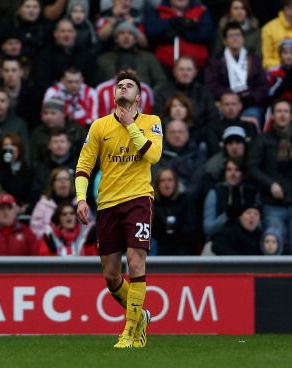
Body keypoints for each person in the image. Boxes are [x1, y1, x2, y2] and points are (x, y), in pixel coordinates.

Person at [75, 70, 162, 348]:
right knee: (111, 276)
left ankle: (129, 330)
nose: (123, 89)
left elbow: (153, 155)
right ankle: (141, 317)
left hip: (138, 199)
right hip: (108, 203)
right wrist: (80, 198)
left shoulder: (151, 122)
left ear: (138, 96)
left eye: (129, 86)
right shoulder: (99, 126)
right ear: (114, 95)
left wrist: (130, 126)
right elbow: (84, 165)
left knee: (136, 261)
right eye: (119, 86)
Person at [248, 99, 292, 255]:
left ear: (291, 115)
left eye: (286, 111)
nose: (282, 115)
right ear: (272, 115)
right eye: (278, 111)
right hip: (271, 204)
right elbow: (252, 168)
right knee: (272, 251)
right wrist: (270, 184)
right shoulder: (263, 139)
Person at [152, 168, 199, 255]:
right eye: (162, 180)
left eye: (170, 180)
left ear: (176, 183)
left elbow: (192, 230)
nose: (166, 183)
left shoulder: (187, 201)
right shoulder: (152, 205)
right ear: (157, 184)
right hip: (159, 250)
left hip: (183, 251)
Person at [30, 167, 76, 239]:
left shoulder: (79, 204)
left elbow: (88, 227)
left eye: (66, 179)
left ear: (71, 183)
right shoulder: (42, 205)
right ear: (52, 184)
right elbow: (35, 230)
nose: (63, 182)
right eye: (59, 179)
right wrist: (52, 239)